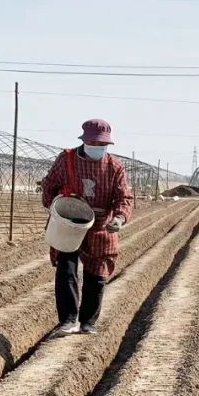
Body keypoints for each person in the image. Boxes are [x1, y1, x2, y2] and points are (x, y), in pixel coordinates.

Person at [40, 118, 133, 336]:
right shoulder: (67, 160)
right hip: (70, 225)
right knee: (67, 269)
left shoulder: (114, 167)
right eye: (94, 144)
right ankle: (68, 320)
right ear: (84, 141)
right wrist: (54, 206)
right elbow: (50, 186)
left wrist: (119, 218)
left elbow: (124, 198)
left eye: (103, 145)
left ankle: (88, 322)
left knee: (97, 274)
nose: (98, 148)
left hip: (101, 226)